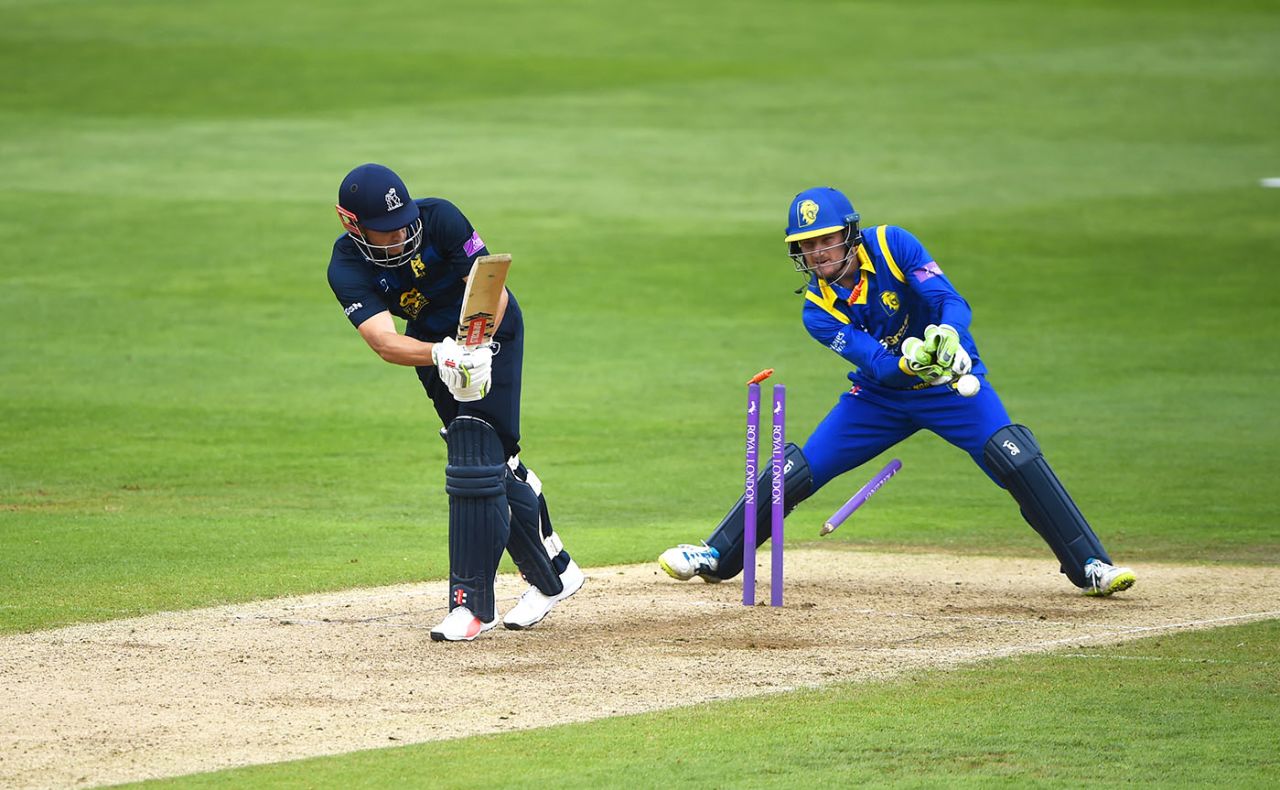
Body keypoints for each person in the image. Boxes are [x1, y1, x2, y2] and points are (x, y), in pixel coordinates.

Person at [659, 186, 1136, 597]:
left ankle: (1090, 566)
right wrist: (909, 362)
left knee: (1014, 456)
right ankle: (717, 555)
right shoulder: (817, 310)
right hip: (879, 400)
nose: (819, 253)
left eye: (826, 240)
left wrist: (947, 336)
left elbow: (949, 299)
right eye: (807, 245)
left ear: (849, 234)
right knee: (796, 468)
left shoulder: (893, 244)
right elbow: (879, 366)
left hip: (951, 386)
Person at [326, 163, 584, 641]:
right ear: (352, 224)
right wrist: (443, 356)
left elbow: (491, 287)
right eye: (384, 230)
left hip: (490, 331)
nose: (399, 234)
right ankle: (556, 574)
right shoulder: (345, 267)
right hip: (432, 349)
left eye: (402, 222)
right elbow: (384, 342)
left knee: (482, 458)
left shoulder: (441, 217)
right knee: (489, 462)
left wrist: (474, 347)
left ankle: (476, 604)